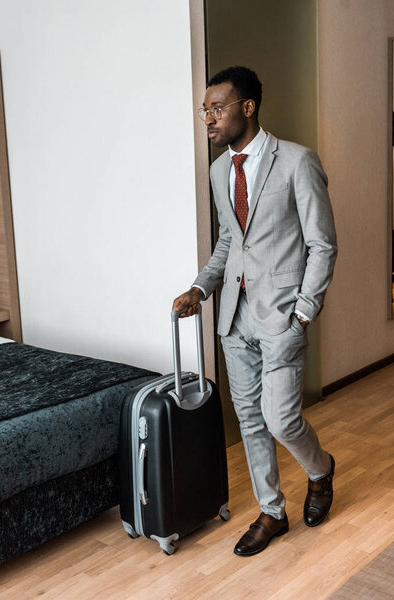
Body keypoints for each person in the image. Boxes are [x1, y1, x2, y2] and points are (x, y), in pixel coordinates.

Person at [172, 66, 337, 557]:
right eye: (205, 110)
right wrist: (201, 288)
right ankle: (271, 510)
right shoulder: (220, 170)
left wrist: (303, 314)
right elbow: (230, 241)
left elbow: (322, 245)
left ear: (247, 107)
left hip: (283, 315)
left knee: (281, 418)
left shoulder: (297, 162)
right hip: (233, 318)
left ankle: (321, 470)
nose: (208, 119)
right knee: (249, 419)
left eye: (216, 108)